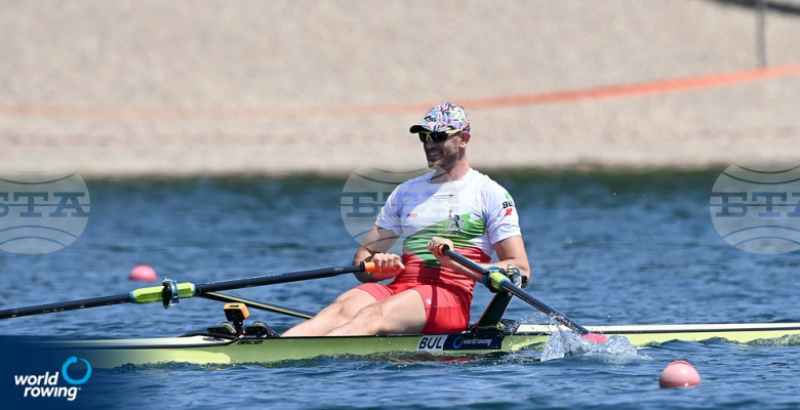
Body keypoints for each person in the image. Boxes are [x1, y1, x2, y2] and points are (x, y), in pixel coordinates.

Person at [282, 102, 529, 337]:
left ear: (463, 138)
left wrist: (454, 262)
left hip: (448, 296)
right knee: (337, 310)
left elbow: (521, 271)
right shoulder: (406, 191)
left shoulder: (489, 193)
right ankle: (274, 352)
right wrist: (375, 268)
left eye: (438, 136)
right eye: (424, 137)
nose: (429, 144)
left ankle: (314, 357)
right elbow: (363, 257)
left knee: (372, 315)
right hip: (399, 288)